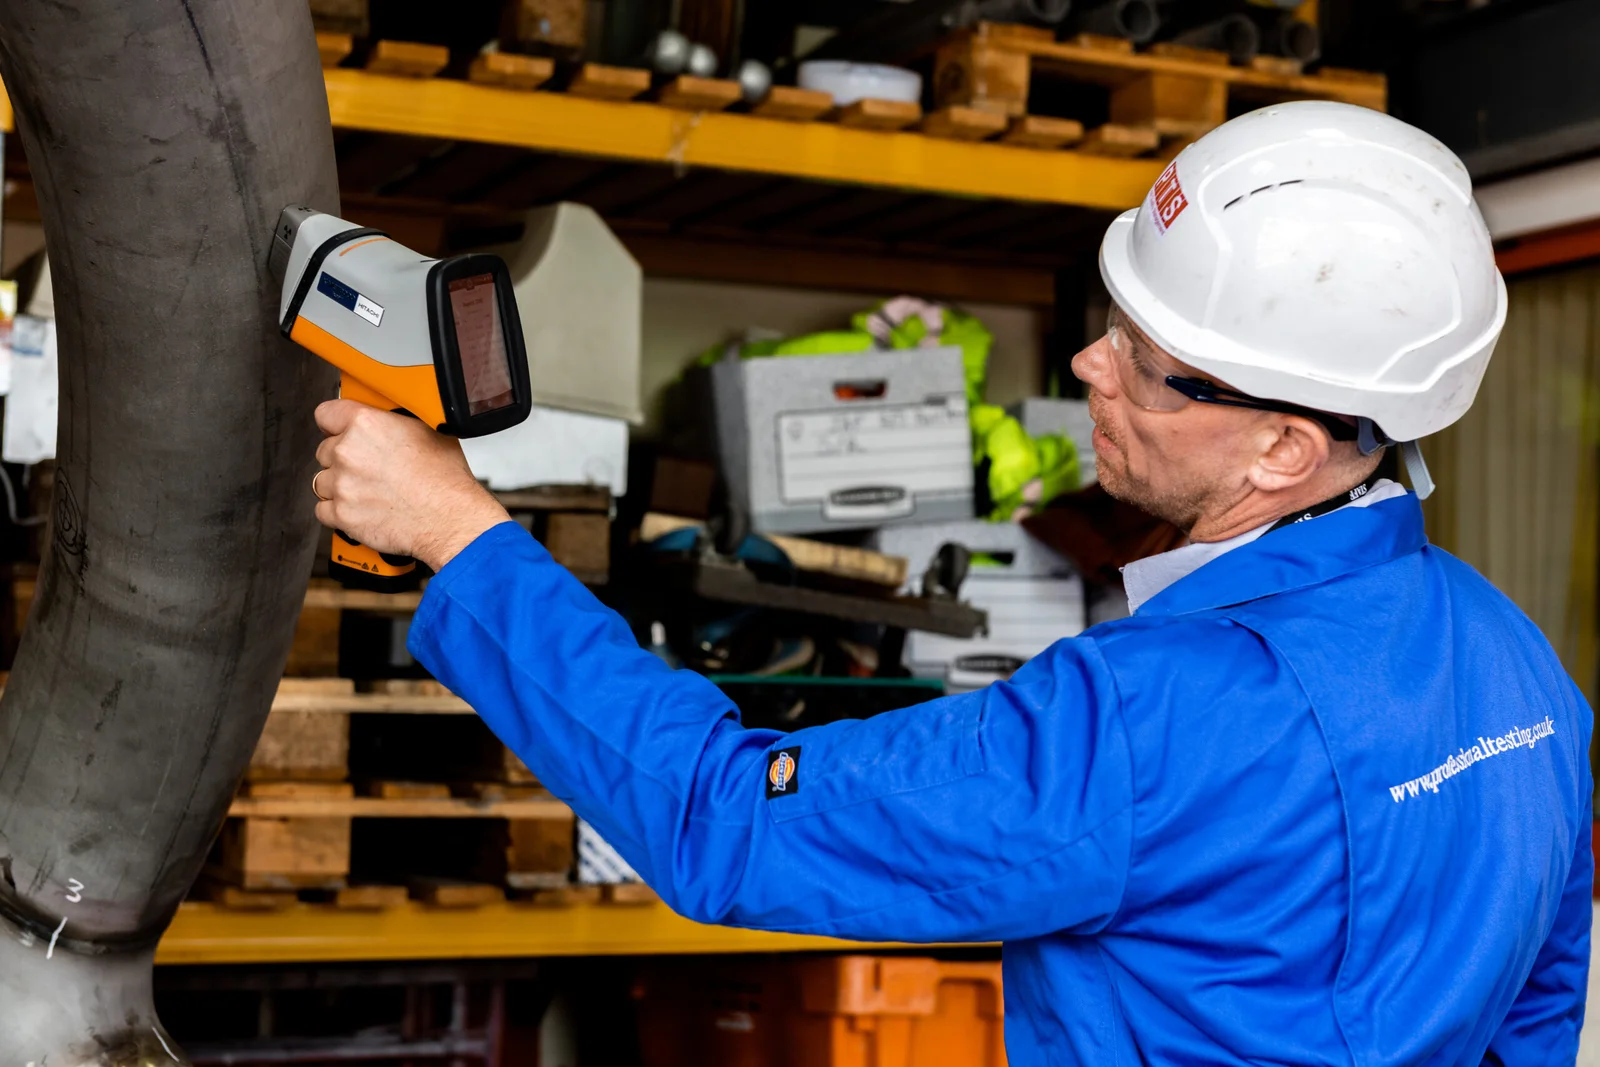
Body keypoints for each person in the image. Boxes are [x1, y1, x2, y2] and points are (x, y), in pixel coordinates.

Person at [307, 102, 1592, 1064]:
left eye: (1147, 364)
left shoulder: (1142, 725)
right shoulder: (1515, 659)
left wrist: (459, 533)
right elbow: (1543, 998)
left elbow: (724, 819)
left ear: (1285, 447)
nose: (1090, 366)